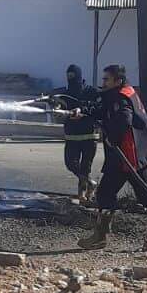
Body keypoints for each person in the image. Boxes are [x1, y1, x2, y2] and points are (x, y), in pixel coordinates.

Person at [79, 63, 147, 251]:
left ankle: (100, 237)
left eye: (106, 80)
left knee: (106, 193)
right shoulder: (126, 92)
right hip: (136, 157)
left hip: (127, 158)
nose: (102, 83)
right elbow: (104, 110)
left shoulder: (120, 98)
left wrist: (110, 134)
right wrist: (84, 113)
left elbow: (123, 120)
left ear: (117, 81)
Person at [61, 64, 99, 204]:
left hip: (89, 135)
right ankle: (91, 183)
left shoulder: (90, 91)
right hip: (71, 136)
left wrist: (82, 110)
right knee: (70, 163)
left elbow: (97, 107)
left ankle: (82, 196)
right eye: (69, 77)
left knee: (85, 167)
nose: (71, 80)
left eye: (73, 77)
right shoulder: (65, 94)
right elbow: (60, 107)